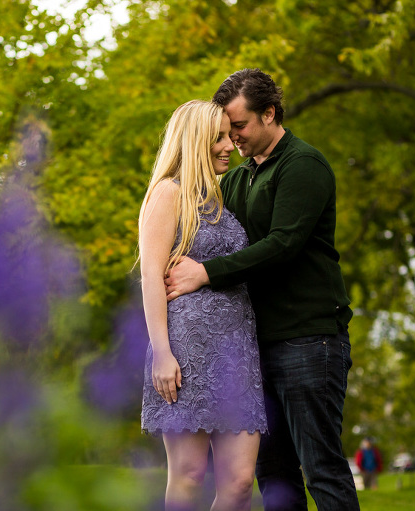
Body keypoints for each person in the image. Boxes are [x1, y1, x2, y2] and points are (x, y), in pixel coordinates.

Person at [164, 69, 360, 510]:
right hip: (253, 349)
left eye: (239, 127)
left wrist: (205, 273)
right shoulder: (236, 179)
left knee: (321, 467)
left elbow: (282, 245)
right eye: (224, 131)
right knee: (273, 476)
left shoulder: (302, 165)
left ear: (269, 114)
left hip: (308, 339)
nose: (232, 139)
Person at [139, 99, 267, 511]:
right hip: (185, 354)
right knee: (190, 476)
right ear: (195, 141)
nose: (230, 145)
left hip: (236, 356)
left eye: (230, 135)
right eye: (219, 137)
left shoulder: (219, 197)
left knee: (240, 482)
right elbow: (151, 278)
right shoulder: (167, 193)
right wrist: (162, 353)